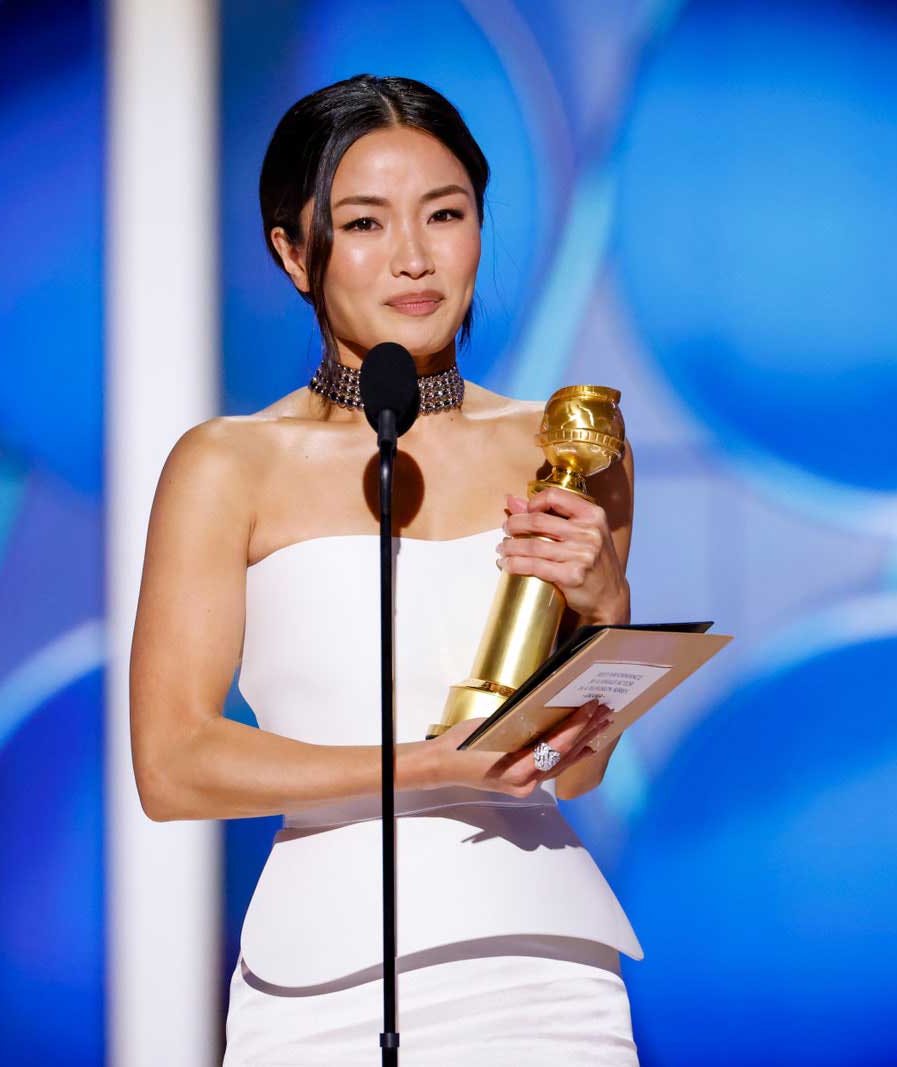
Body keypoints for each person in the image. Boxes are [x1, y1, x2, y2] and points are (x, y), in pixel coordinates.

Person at [129, 74, 642, 1064]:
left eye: (444, 214)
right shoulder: (228, 464)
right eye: (364, 222)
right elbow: (172, 762)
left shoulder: (566, 441)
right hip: (318, 983)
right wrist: (427, 765)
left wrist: (607, 605)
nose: (413, 256)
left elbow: (577, 766)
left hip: (545, 980)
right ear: (293, 250)